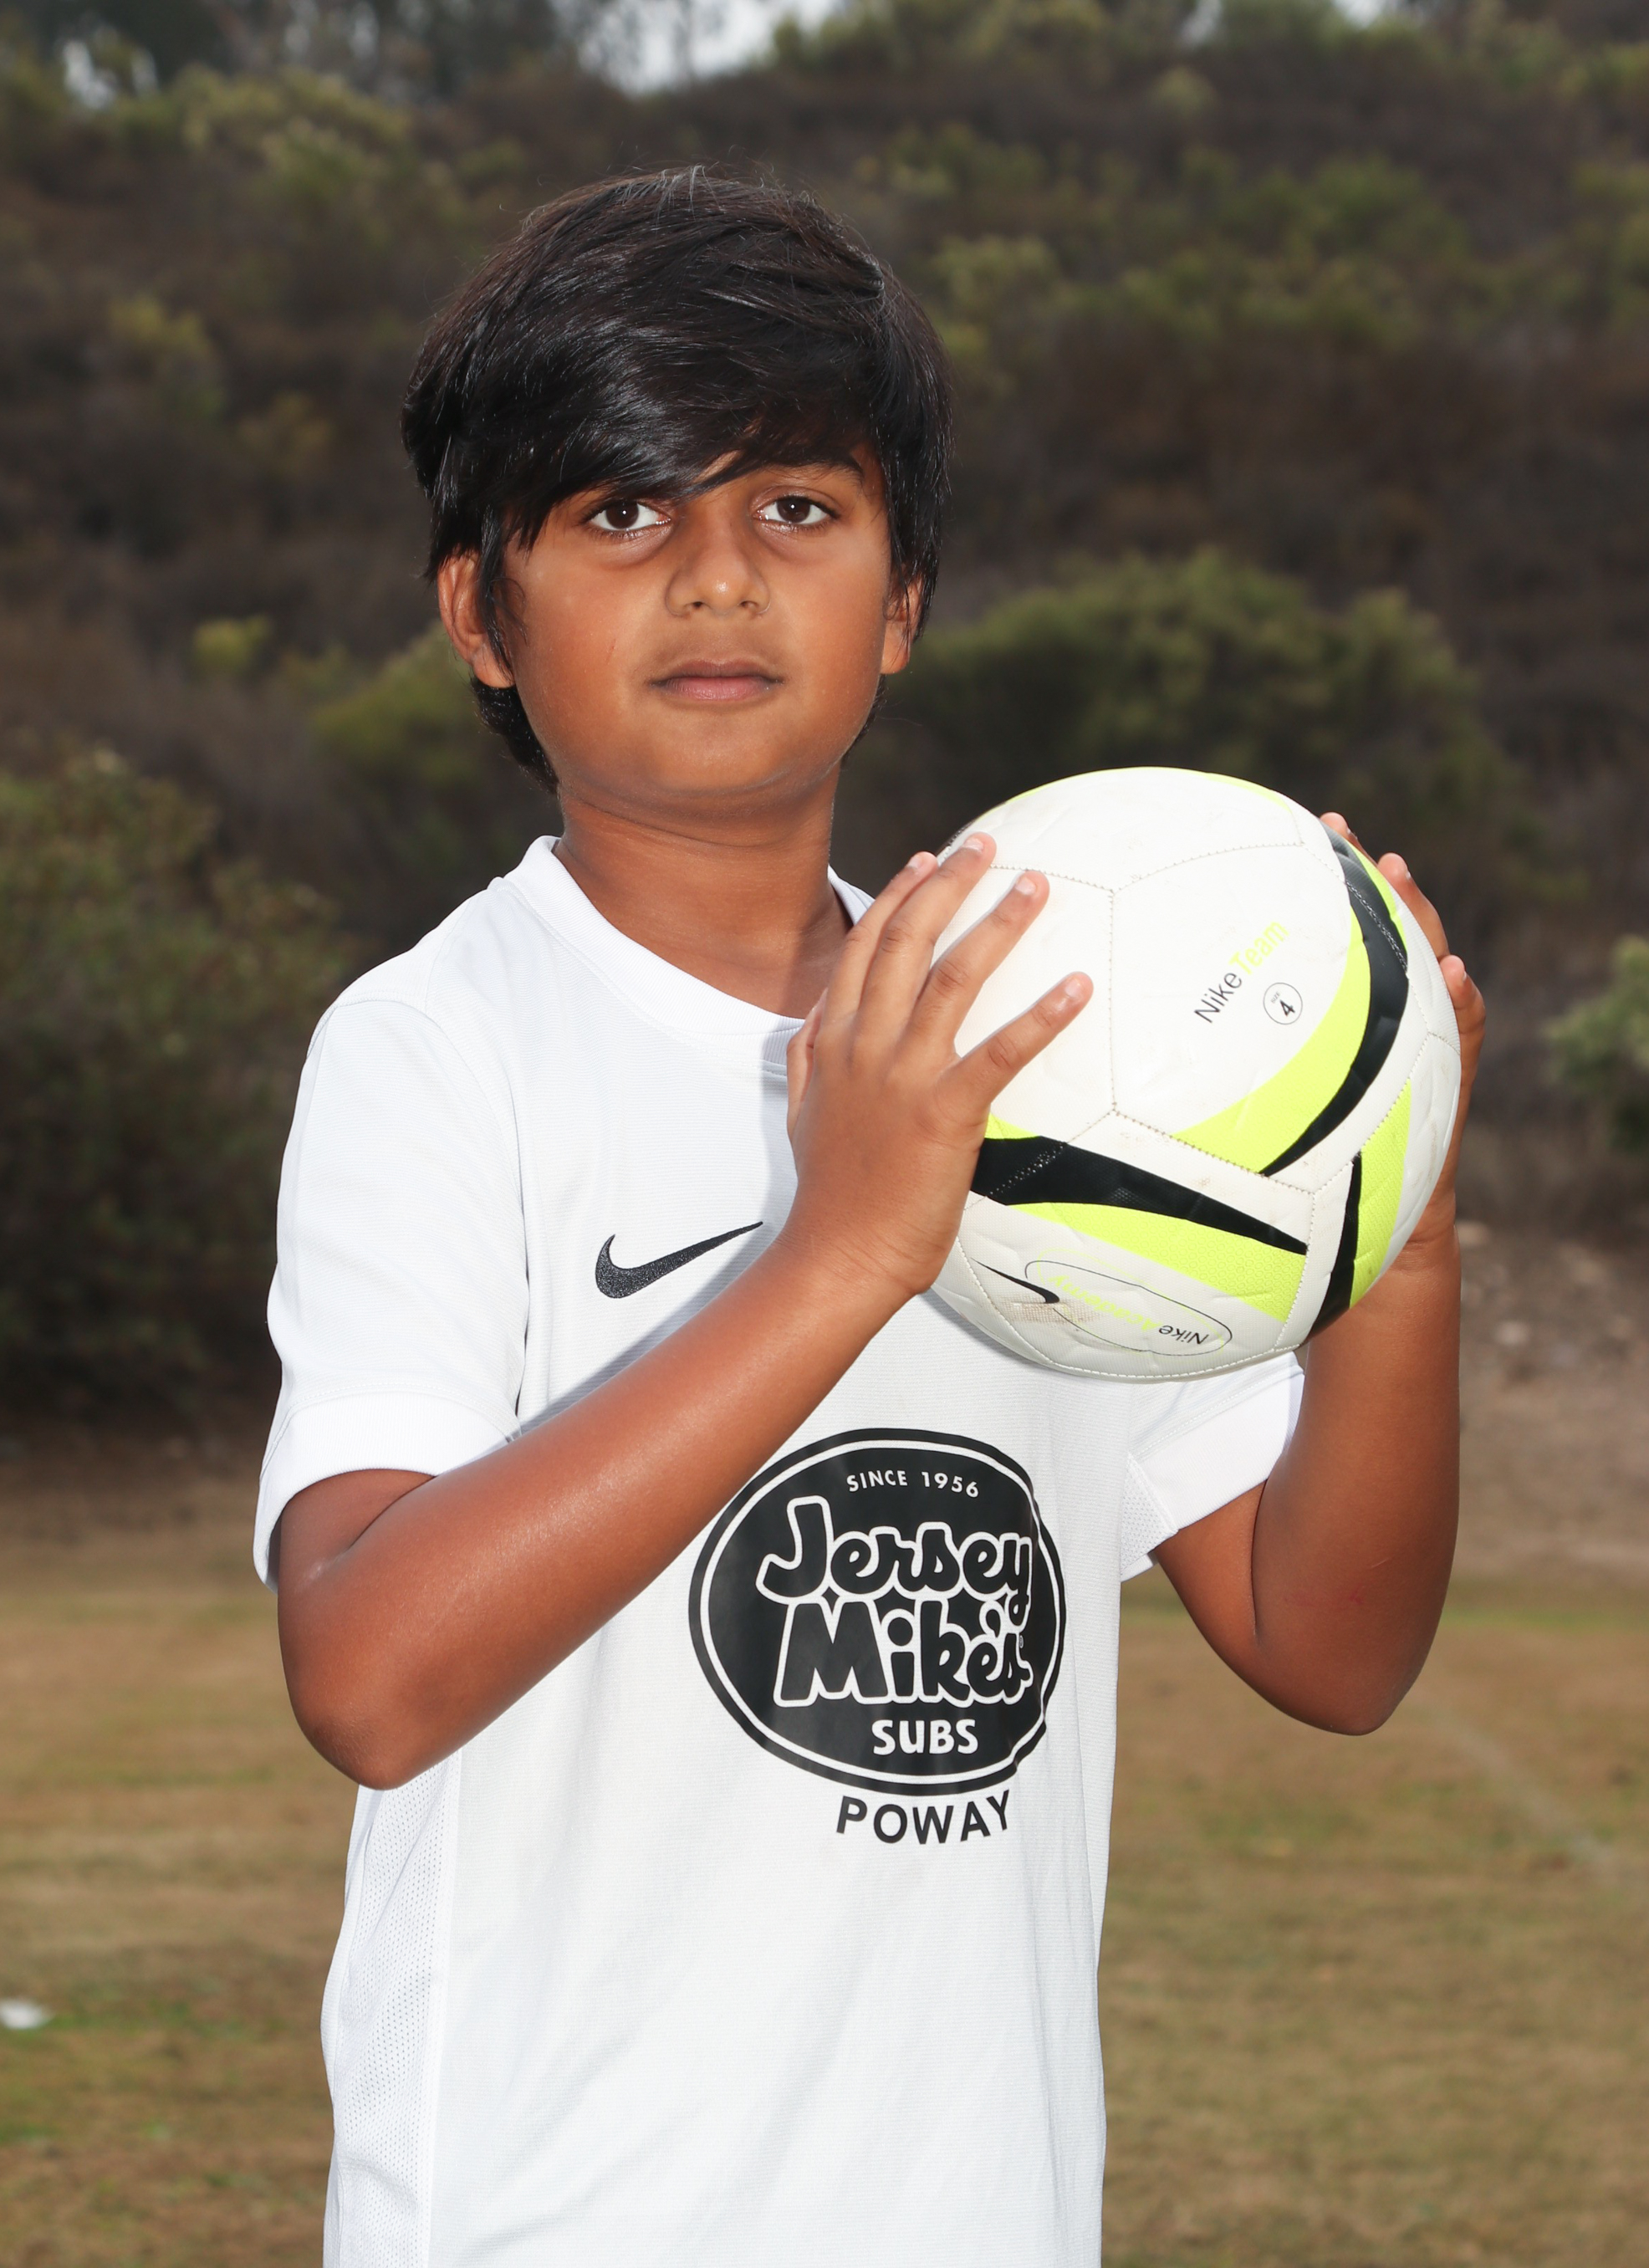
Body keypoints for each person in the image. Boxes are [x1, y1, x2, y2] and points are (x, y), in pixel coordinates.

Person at [260, 169, 1485, 2268]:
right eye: (621, 510)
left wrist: (1391, 1221)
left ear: (902, 596)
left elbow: (1334, 1644)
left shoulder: (1066, 1054)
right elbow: (369, 1672)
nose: (717, 575)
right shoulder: (439, 1046)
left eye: (798, 507)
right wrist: (841, 1247)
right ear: (479, 611)